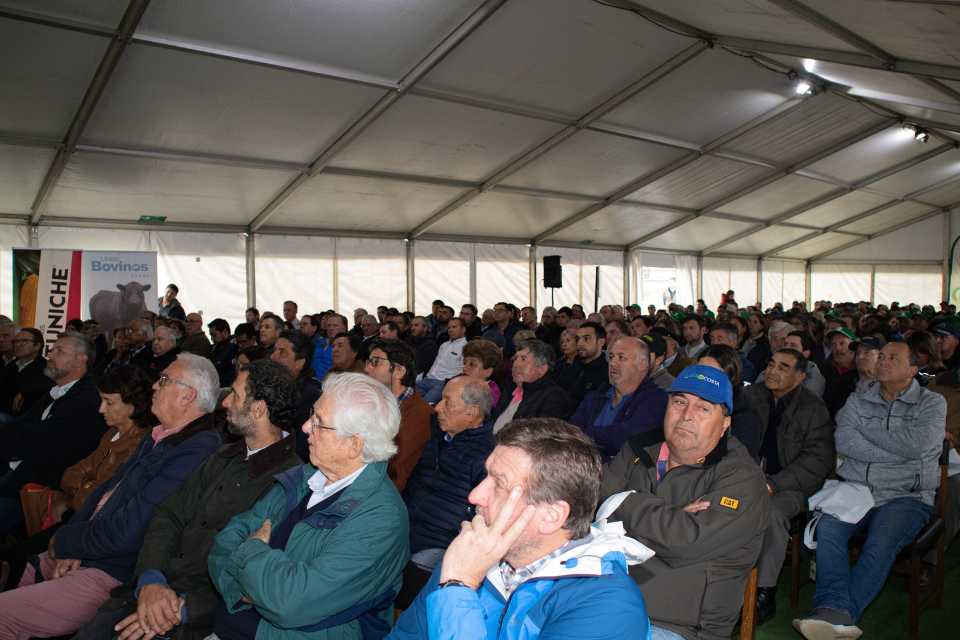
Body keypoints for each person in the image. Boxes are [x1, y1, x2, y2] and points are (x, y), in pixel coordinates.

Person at [0, 354, 222, 638]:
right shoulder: (158, 436)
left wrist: (69, 542)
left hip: (113, 571)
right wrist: (73, 541)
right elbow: (102, 494)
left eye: (164, 380)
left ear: (186, 397)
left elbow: (132, 530)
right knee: (15, 573)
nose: (155, 386)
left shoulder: (196, 450)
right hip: (88, 551)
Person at [76, 360, 302, 640]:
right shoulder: (223, 456)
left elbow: (252, 576)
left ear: (258, 409)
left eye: (235, 394)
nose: (225, 402)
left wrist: (181, 609)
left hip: (198, 619)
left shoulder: (291, 481)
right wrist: (150, 579)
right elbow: (168, 516)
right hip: (151, 592)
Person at [391, 418, 651, 640]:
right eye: (485, 477)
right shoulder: (472, 555)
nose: (474, 495)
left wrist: (458, 587)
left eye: (499, 485)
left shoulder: (607, 607)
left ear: (551, 516)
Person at [207, 373, 409, 638]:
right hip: (230, 627)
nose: (304, 427)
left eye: (318, 422)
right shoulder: (304, 478)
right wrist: (248, 589)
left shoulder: (382, 520)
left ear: (354, 444)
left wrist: (253, 550)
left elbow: (290, 603)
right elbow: (225, 540)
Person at [600, 364, 769, 640]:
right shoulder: (638, 448)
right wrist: (670, 517)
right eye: (679, 402)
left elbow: (683, 542)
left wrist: (623, 501)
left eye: (704, 408)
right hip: (604, 599)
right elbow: (591, 506)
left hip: (674, 624)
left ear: (725, 424)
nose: (687, 415)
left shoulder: (742, 479)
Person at [794, 342, 946, 639]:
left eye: (893, 358)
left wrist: (869, 435)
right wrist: (896, 449)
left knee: (880, 541)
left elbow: (918, 445)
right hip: (857, 489)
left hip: (907, 495)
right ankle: (837, 618)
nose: (883, 362)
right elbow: (846, 442)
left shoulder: (932, 403)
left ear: (913, 368)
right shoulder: (858, 399)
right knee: (829, 530)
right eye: (883, 357)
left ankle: (834, 615)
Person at [0, 366, 155, 592]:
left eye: (109, 402)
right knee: (16, 556)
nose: (101, 409)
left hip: (90, 530)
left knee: (19, 557)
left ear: (133, 406)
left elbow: (96, 497)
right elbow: (70, 475)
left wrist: (79, 491)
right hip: (77, 519)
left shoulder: (140, 445)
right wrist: (85, 486)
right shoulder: (111, 434)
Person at [742, 348, 834, 625]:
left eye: (783, 367)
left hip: (789, 486)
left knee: (770, 514)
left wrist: (773, 483)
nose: (772, 371)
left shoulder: (813, 408)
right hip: (747, 478)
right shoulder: (751, 397)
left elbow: (817, 462)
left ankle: (764, 592)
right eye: (771, 364)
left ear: (800, 376)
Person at [396, 376, 495, 609]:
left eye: (447, 402)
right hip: (407, 527)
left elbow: (480, 518)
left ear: (471, 413)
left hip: (439, 542)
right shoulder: (439, 437)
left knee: (413, 577)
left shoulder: (487, 458)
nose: (438, 407)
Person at [0, 332, 107, 536]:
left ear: (81, 359)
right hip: (22, 471)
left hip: (42, 486)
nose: (50, 354)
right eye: (52, 349)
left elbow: (42, 443)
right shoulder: (58, 390)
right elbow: (21, 427)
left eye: (60, 351)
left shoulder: (86, 398)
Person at [570, 337, 668, 462]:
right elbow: (571, 430)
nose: (612, 363)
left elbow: (625, 439)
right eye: (611, 357)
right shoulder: (595, 397)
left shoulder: (656, 400)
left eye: (621, 358)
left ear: (642, 364)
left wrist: (584, 435)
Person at [365, 339, 432, 493]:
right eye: (368, 361)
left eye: (375, 362)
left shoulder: (420, 415)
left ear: (399, 371)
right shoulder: (373, 403)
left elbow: (396, 474)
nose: (367, 368)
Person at [697, 344, 763, 459]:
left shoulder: (746, 414)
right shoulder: (690, 398)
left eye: (713, 374)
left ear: (731, 377)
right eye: (700, 371)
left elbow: (739, 458)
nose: (705, 378)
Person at [493, 340, 570, 433]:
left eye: (523, 359)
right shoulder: (510, 388)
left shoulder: (554, 397)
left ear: (541, 369)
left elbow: (540, 437)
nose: (515, 364)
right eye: (515, 359)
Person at [271, 330, 319, 461]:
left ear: (300, 362)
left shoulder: (311, 396)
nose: (273, 357)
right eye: (274, 350)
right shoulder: (272, 388)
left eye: (282, 352)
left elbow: (302, 449)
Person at [0, 328, 52, 417]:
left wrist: (25, 392)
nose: (18, 345)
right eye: (16, 341)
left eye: (24, 341)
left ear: (37, 346)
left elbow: (47, 386)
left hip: (24, 419)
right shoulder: (11, 366)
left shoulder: (46, 367)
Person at [416, 318, 467, 404]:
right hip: (427, 379)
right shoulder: (444, 344)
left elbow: (464, 370)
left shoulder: (466, 347)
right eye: (449, 327)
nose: (450, 330)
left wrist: (449, 383)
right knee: (406, 398)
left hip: (441, 383)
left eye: (454, 327)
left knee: (423, 406)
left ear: (463, 329)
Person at [563, 321, 608, 407]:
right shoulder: (571, 366)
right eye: (578, 339)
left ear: (601, 342)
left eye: (586, 338)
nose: (579, 343)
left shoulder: (606, 373)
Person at [207, 318, 238, 388]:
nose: (212, 338)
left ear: (225, 332)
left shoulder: (233, 348)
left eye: (214, 335)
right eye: (211, 335)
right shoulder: (215, 348)